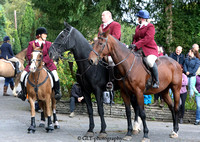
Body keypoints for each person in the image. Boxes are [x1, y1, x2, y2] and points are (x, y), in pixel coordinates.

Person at [17, 27, 62, 101]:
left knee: (55, 75)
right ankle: (23, 93)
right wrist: (34, 62)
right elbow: (28, 55)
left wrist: (44, 61)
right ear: (39, 35)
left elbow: (50, 54)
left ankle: (57, 92)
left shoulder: (48, 44)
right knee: (23, 75)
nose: (46, 36)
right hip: (34, 64)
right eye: (44, 34)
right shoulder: (32, 44)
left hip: (48, 64)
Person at [129, 9, 159, 88]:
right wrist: (132, 45)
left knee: (149, 61)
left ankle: (156, 81)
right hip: (139, 49)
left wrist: (136, 45)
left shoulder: (150, 26)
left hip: (149, 49)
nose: (137, 19)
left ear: (142, 18)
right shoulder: (138, 27)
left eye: (138, 17)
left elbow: (148, 38)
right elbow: (135, 38)